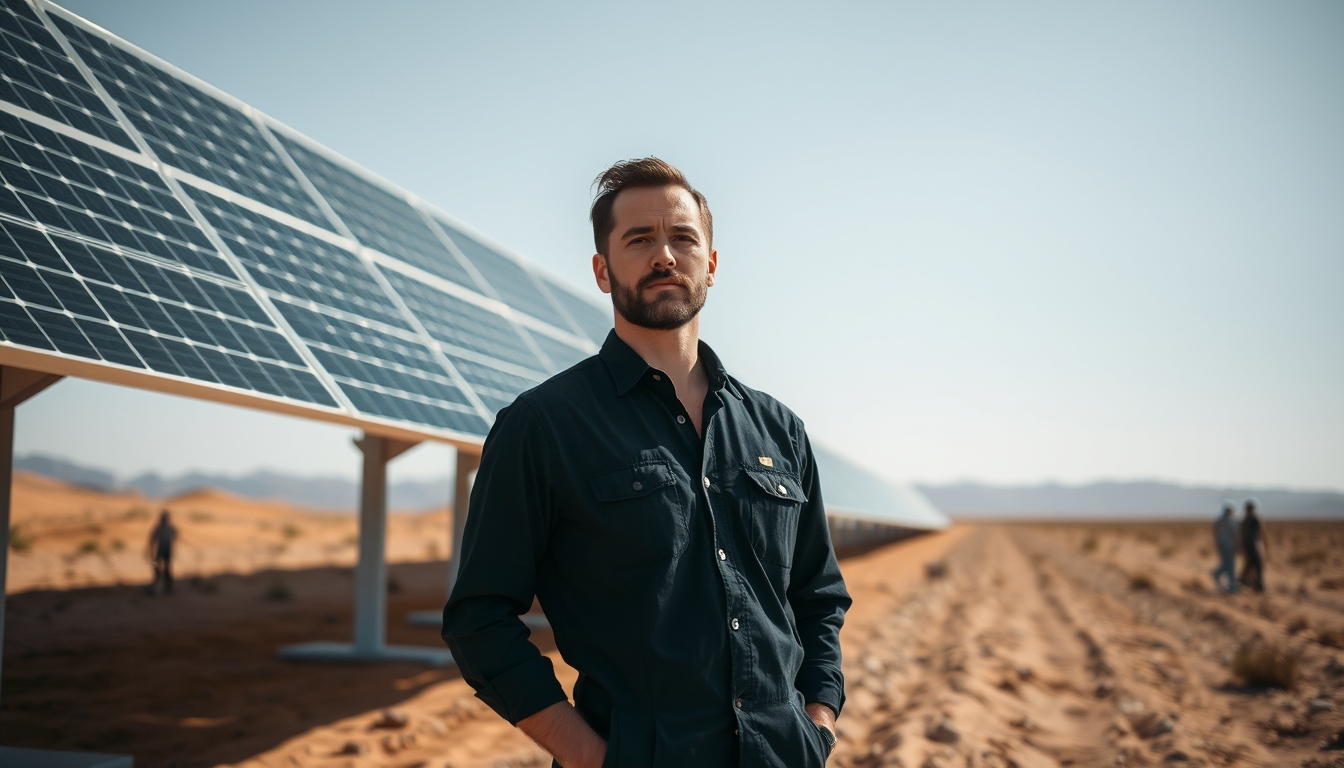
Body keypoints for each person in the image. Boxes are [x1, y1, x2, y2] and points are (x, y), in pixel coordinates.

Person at [441, 158, 850, 768]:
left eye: (683, 238)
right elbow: (479, 619)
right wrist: (591, 757)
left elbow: (817, 595)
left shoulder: (778, 427)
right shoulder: (543, 425)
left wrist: (817, 719)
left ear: (710, 264)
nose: (665, 255)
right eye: (639, 239)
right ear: (603, 272)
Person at [1209, 501, 1239, 593]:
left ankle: (1227, 581)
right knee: (1230, 565)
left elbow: (1215, 531)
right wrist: (1237, 545)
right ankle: (1230, 584)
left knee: (1226, 564)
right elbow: (1234, 533)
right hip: (1229, 545)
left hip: (1221, 545)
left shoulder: (1219, 519)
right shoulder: (1230, 520)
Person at [145, 509, 177, 595]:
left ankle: (168, 588)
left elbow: (175, 538)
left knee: (167, 569)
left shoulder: (170, 529)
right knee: (156, 565)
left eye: (165, 518)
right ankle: (156, 582)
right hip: (159, 552)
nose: (164, 519)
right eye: (163, 518)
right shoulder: (158, 529)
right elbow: (152, 541)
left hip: (167, 553)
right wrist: (150, 552)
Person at [1239, 498, 1266, 592]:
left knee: (1249, 565)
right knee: (1258, 565)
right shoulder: (1254, 519)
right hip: (1252, 545)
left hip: (1247, 545)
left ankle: (1243, 582)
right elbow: (1261, 532)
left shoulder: (1244, 520)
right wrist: (1265, 544)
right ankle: (1258, 586)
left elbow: (1241, 534)